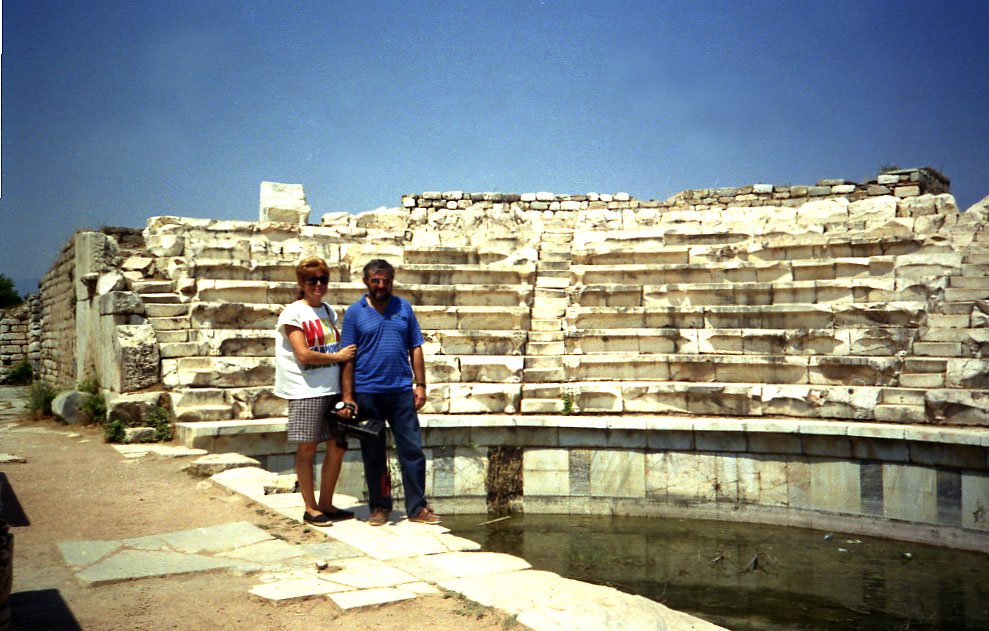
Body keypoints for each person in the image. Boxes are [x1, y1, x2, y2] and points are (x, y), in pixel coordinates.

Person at [340, 259, 441, 526]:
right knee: (373, 454)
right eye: (376, 280)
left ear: (392, 281)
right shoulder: (354, 313)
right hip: (367, 392)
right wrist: (348, 397)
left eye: (386, 280)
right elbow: (347, 357)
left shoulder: (404, 308)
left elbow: (415, 347)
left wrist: (420, 384)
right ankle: (380, 507)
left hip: (400, 393)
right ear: (366, 282)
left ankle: (417, 507)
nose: (381, 285)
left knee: (412, 450)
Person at [274, 256, 357, 526]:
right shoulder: (292, 313)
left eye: (323, 279)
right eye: (312, 280)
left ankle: (326, 503)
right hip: (305, 389)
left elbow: (333, 348)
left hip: (331, 388)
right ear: (302, 283)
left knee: (337, 446)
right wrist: (339, 356)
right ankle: (310, 507)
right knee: (307, 448)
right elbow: (303, 355)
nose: (318, 284)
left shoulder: (328, 311)